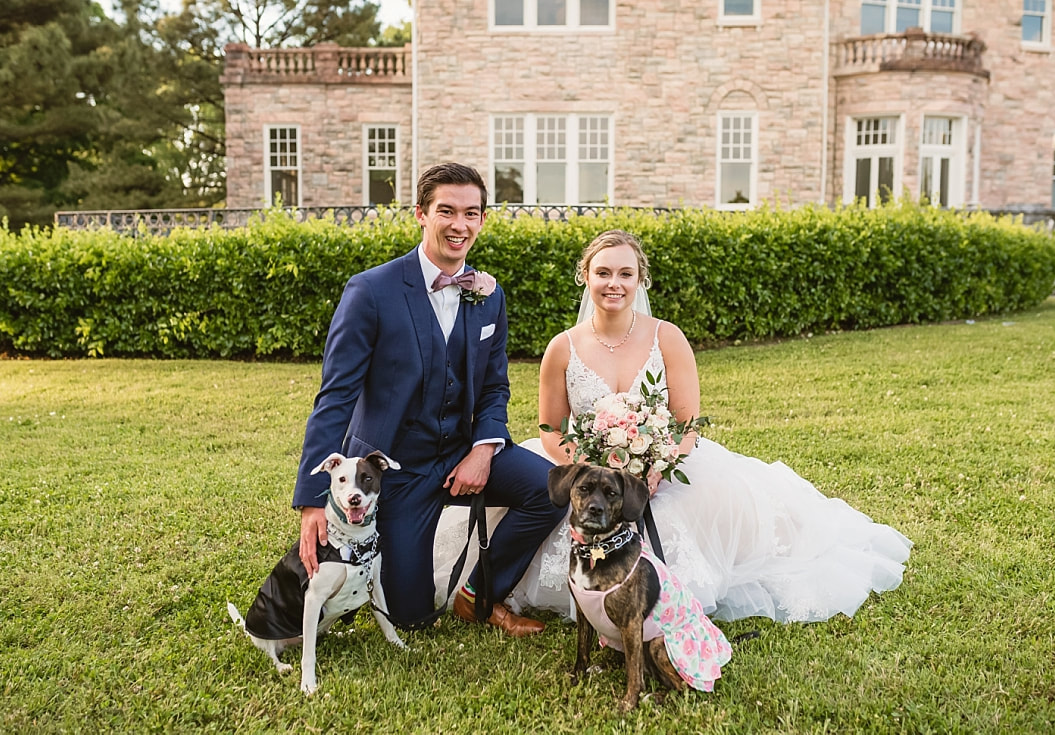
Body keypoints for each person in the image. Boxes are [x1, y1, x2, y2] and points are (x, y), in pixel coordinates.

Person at [438, 229, 913, 623]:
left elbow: (688, 422)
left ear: (640, 278)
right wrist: (581, 468)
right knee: (550, 502)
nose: (613, 283)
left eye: (625, 273)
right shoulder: (562, 346)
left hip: (660, 460)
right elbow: (549, 427)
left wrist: (659, 465)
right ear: (586, 277)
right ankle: (487, 593)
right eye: (602, 272)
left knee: (703, 507)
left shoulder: (668, 337)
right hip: (583, 464)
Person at [293, 162, 566, 636]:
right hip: (395, 468)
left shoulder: (489, 295)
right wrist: (313, 501)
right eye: (447, 211)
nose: (459, 225)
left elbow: (494, 387)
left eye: (472, 213)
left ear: (482, 220)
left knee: (551, 490)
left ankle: (479, 592)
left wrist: (483, 450)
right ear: (421, 213)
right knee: (410, 615)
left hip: (462, 450)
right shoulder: (371, 291)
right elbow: (335, 397)